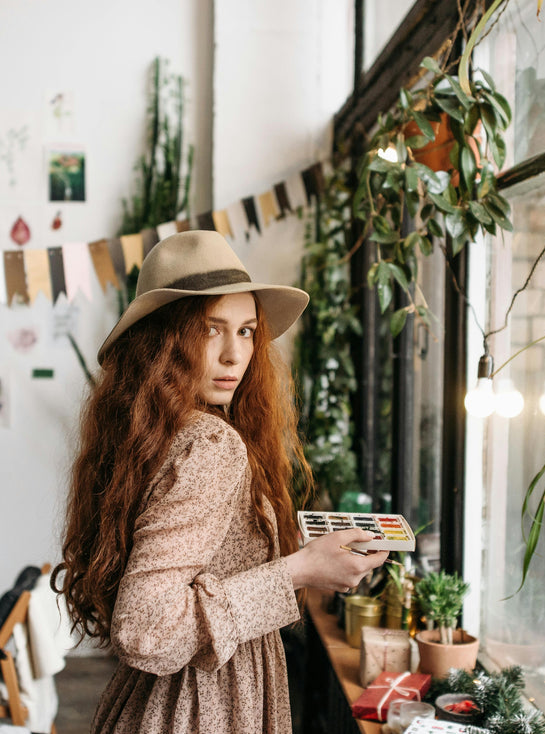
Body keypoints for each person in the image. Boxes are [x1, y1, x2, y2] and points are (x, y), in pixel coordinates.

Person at [53, 230, 389, 733]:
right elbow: (145, 626)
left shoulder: (155, 431)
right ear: (164, 340)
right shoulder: (211, 444)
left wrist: (288, 547)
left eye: (248, 330)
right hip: (199, 708)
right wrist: (298, 571)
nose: (235, 354)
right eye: (212, 329)